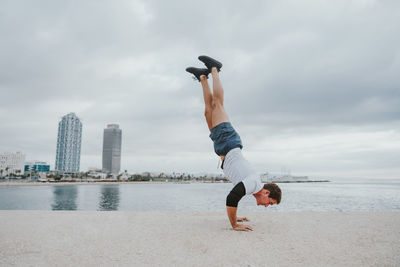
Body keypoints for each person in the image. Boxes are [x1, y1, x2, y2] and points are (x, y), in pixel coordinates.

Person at [186, 55, 282, 231]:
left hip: (224, 145)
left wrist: (235, 216)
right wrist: (234, 224)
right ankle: (215, 69)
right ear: (266, 193)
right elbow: (232, 197)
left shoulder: (253, 186)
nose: (267, 206)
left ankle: (202, 77)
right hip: (229, 142)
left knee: (208, 111)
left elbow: (235, 195)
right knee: (218, 105)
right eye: (270, 203)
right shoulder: (254, 184)